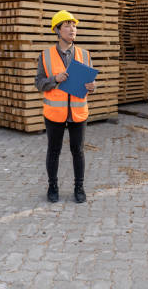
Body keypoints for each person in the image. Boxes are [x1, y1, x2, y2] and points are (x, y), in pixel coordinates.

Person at [35, 10, 96, 203]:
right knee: (54, 151)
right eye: (67, 25)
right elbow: (39, 83)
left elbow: (90, 83)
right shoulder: (45, 56)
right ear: (57, 30)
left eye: (74, 25)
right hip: (55, 113)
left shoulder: (85, 55)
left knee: (78, 150)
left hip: (78, 112)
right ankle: (52, 186)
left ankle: (79, 187)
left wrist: (93, 87)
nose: (72, 29)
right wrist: (55, 79)